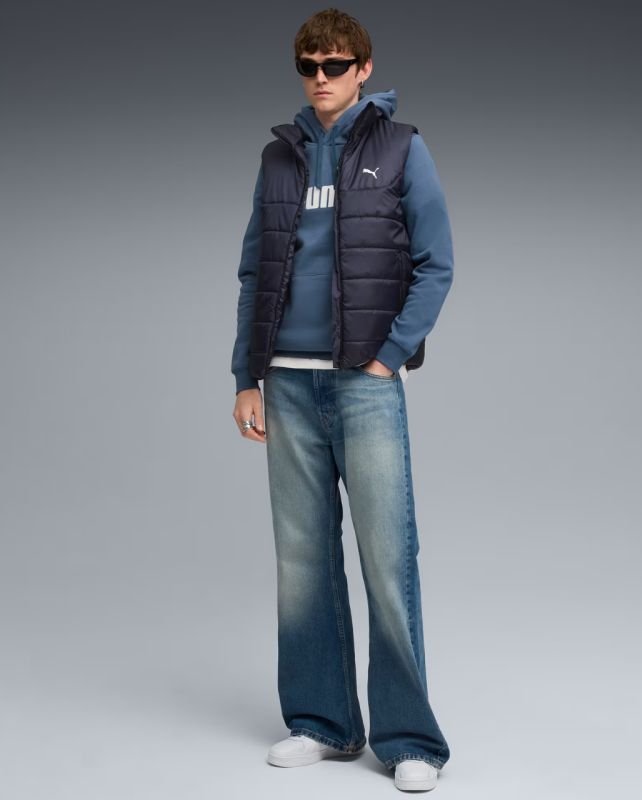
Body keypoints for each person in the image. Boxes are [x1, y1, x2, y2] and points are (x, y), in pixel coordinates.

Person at [230, 7, 454, 793]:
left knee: (388, 560)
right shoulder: (279, 156)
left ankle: (408, 739)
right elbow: (255, 271)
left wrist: (390, 357)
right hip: (286, 383)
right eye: (309, 66)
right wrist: (246, 377)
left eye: (334, 65)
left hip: (365, 385)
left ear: (363, 69)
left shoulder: (401, 148)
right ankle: (322, 723)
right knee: (303, 562)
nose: (320, 78)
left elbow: (436, 263)